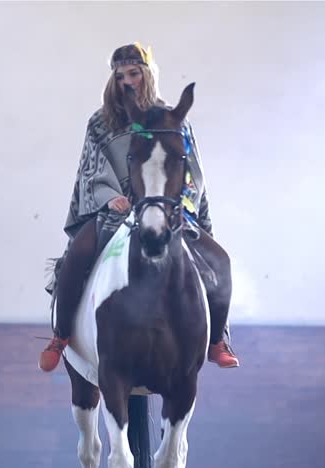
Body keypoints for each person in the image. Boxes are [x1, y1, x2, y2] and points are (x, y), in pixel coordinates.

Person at [38, 43, 240, 372]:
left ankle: (217, 339)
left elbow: (191, 174)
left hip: (167, 212)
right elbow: (91, 170)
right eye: (120, 76)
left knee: (221, 261)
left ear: (147, 74)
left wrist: (180, 203)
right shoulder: (101, 123)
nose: (127, 81)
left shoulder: (173, 119)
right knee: (77, 255)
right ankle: (61, 336)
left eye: (133, 73)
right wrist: (110, 197)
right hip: (115, 213)